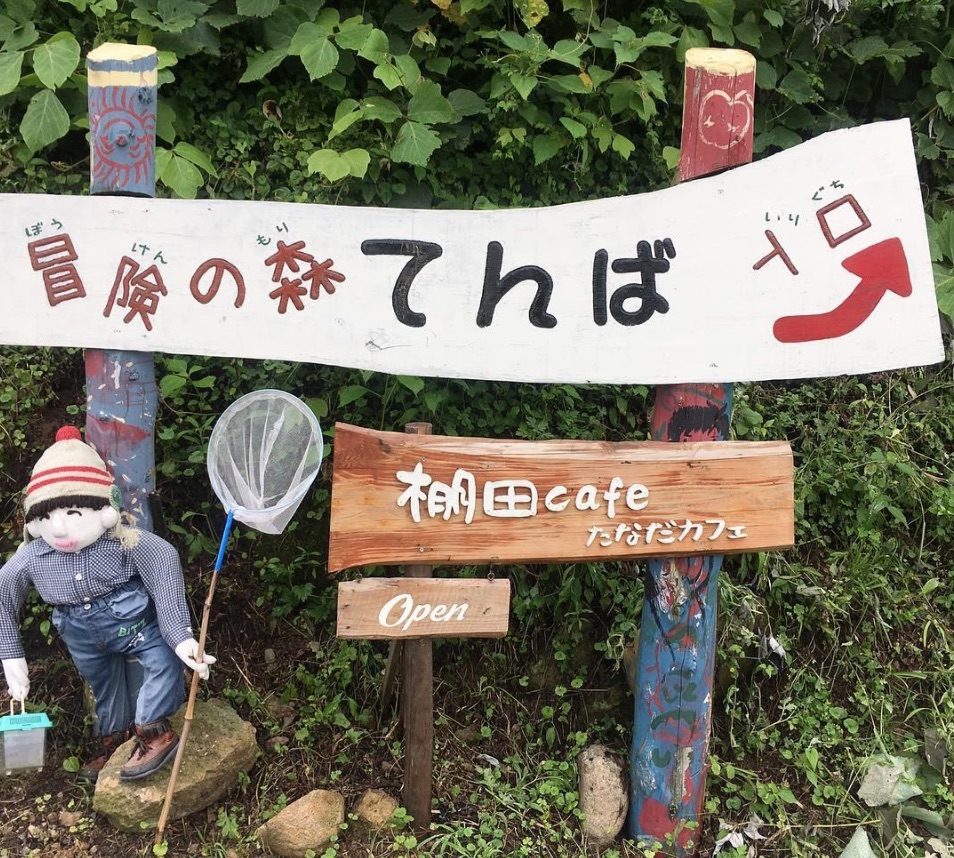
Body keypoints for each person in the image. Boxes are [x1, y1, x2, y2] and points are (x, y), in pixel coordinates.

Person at [0, 426, 215, 782]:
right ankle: (114, 739)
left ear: (105, 511)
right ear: (34, 522)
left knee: (162, 658)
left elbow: (163, 559)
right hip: (80, 635)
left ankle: (152, 728)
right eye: (46, 517)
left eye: (72, 513)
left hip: (133, 624)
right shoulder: (32, 556)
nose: (59, 528)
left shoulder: (122, 541)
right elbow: (3, 592)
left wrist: (179, 635)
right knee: (104, 684)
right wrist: (11, 655)